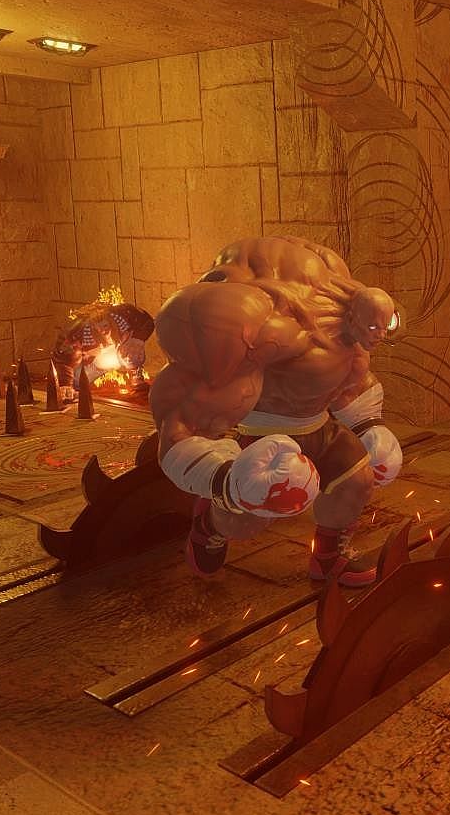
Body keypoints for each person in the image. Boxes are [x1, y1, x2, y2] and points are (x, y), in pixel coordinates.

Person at [151, 236, 404, 585]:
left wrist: (369, 424)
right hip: (261, 436)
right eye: (374, 328)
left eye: (383, 327)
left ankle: (328, 556)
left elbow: (351, 383)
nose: (378, 336)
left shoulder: (348, 324)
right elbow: (182, 426)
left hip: (318, 426)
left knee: (356, 481)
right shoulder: (266, 333)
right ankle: (211, 522)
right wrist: (223, 479)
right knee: (249, 517)